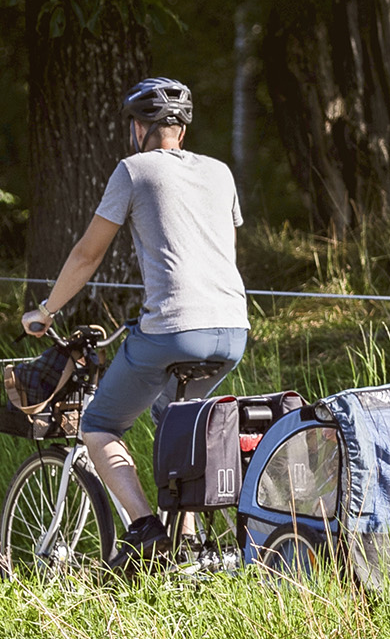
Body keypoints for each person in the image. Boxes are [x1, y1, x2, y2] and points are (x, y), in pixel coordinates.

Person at [23, 76, 248, 562]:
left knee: (100, 424)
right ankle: (187, 544)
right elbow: (224, 255)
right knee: (177, 420)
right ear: (181, 132)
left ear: (137, 129)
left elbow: (87, 255)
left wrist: (46, 312)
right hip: (233, 330)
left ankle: (146, 531)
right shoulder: (221, 173)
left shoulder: (133, 170)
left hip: (172, 329)